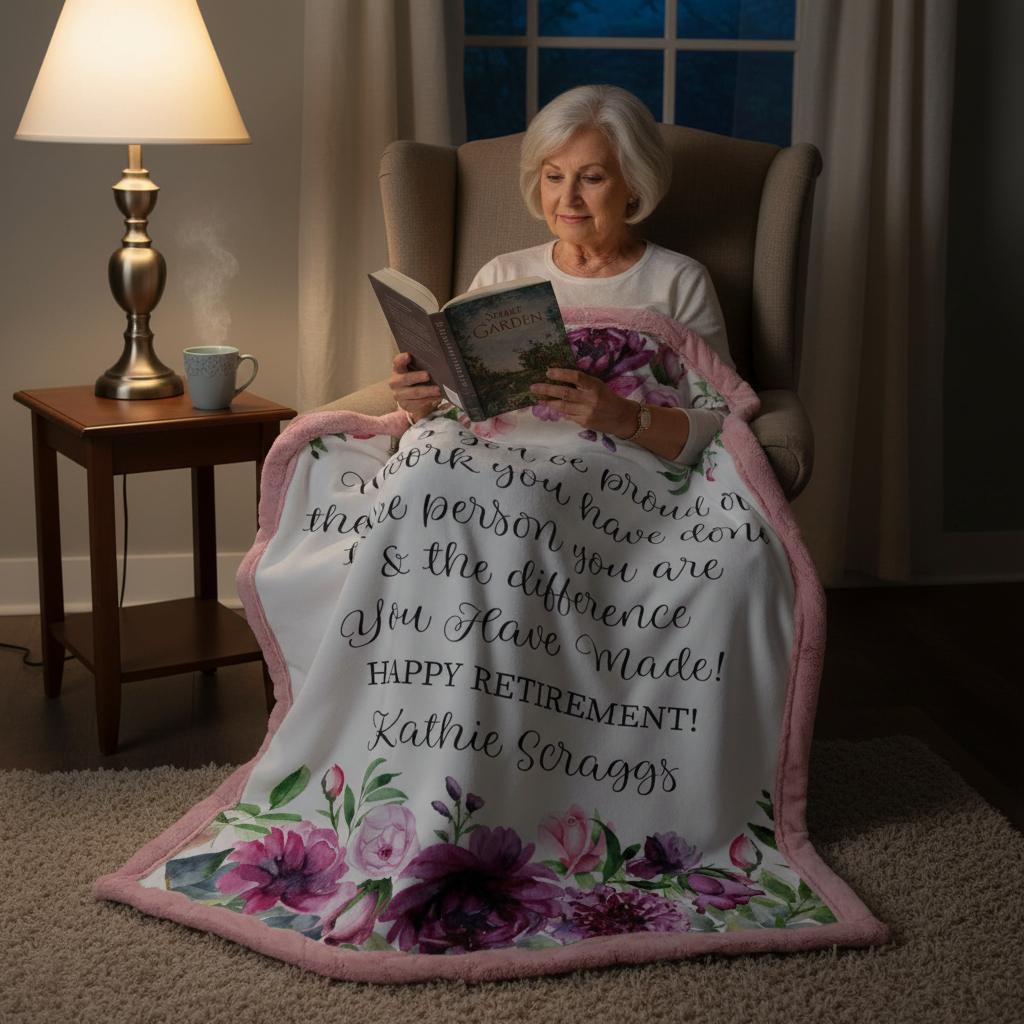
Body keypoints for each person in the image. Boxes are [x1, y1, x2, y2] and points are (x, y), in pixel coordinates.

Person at [388, 84, 732, 465]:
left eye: (592, 178)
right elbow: (461, 409)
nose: (567, 198)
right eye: (554, 177)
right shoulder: (504, 272)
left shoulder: (680, 281)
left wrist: (624, 416)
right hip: (488, 465)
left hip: (611, 478)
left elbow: (723, 424)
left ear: (634, 185)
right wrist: (417, 404)